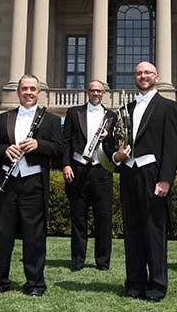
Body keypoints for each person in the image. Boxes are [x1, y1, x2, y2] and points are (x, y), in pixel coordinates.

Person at [104, 61, 177, 302]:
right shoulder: (124, 109)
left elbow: (173, 146)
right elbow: (109, 145)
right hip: (129, 175)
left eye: (147, 72)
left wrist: (166, 179)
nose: (142, 76)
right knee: (132, 231)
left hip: (153, 175)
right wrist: (116, 155)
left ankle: (157, 285)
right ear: (134, 78)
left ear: (156, 77)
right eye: (138, 73)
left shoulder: (169, 107)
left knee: (154, 232)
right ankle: (134, 283)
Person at [0, 75, 62, 297]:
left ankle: (35, 283)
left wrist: (39, 144)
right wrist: (5, 151)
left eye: (33, 89)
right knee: (2, 234)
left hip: (33, 183)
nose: (29, 92)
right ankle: (0, 281)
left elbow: (58, 150)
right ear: (18, 92)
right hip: (7, 183)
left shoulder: (51, 121)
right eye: (24, 89)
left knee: (34, 236)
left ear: (39, 92)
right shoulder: (3, 119)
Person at [61, 80, 116, 272]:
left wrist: (107, 138)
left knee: (104, 218)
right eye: (93, 90)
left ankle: (103, 261)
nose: (96, 94)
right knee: (78, 217)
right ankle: (78, 260)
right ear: (87, 92)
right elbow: (65, 141)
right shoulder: (74, 112)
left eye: (99, 91)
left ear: (104, 94)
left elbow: (113, 149)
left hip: (102, 171)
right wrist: (66, 164)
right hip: (78, 169)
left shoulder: (111, 116)